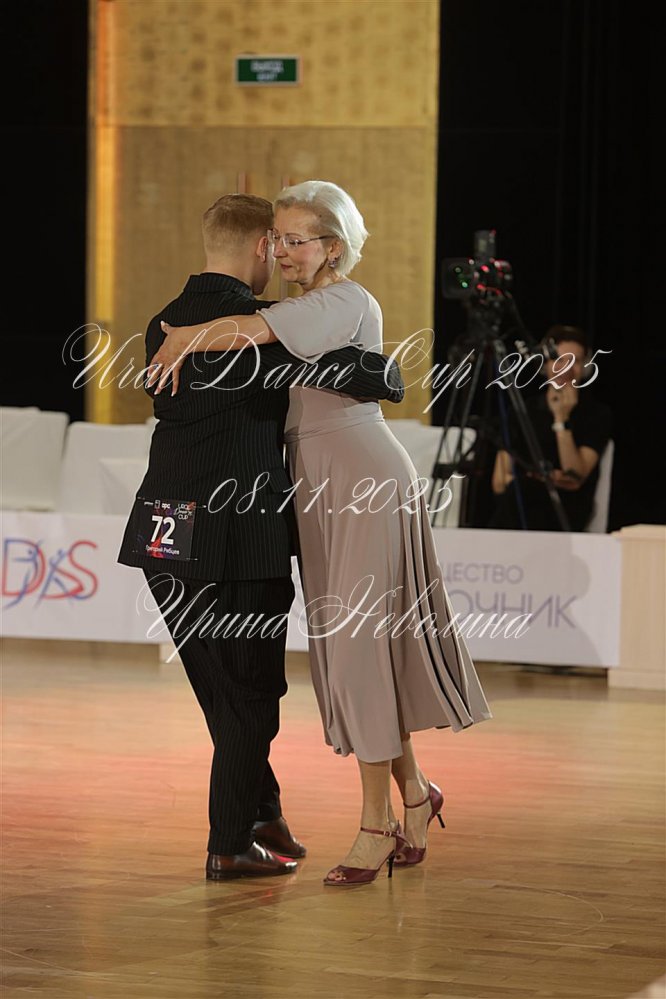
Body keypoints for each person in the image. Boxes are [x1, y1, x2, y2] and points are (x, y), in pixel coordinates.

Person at [149, 181, 492, 888]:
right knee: (353, 648)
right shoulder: (294, 311)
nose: (282, 250)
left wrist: (180, 335)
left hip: (359, 476)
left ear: (333, 247)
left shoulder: (342, 300)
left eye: (297, 239)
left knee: (361, 649)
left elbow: (247, 331)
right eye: (277, 238)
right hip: (316, 483)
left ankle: (376, 823)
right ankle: (416, 792)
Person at [118, 193, 404, 881]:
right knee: (250, 695)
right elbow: (373, 376)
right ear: (259, 248)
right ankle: (229, 843)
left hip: (164, 530)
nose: (280, 254)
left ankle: (263, 812)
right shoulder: (266, 327)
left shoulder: (163, 320)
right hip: (237, 535)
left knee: (220, 690)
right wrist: (388, 372)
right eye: (276, 243)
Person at [490, 325, 612, 531]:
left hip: (565, 510)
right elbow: (500, 481)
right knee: (519, 496)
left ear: (585, 367)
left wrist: (561, 419)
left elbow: (574, 475)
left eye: (575, 361)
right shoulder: (522, 411)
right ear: (544, 363)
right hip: (519, 506)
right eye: (559, 359)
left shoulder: (596, 415)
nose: (566, 368)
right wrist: (549, 478)